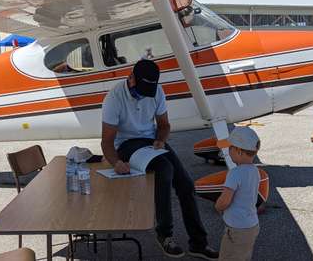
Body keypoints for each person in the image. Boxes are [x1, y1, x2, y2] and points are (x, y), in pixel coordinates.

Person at [101, 59, 218, 260]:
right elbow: (107, 142)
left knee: (186, 185)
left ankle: (198, 243)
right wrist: (116, 163)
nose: (142, 96)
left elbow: (164, 125)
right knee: (164, 169)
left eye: (149, 91)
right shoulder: (114, 98)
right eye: (140, 91)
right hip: (127, 144)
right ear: (131, 78)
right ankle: (165, 234)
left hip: (151, 142)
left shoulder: (157, 92)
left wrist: (161, 140)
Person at [215, 126, 261, 261]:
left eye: (230, 148)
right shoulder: (255, 171)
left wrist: (218, 207)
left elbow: (225, 200)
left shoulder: (235, 173)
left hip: (237, 230)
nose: (228, 151)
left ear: (239, 151)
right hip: (251, 225)